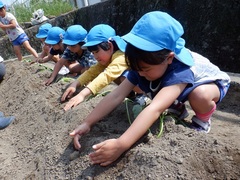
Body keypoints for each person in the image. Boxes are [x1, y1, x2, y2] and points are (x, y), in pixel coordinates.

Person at [69, 11, 231, 166]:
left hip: (209, 84)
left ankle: (202, 121)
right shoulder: (144, 62)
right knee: (143, 83)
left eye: (145, 69)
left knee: (199, 96)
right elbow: (116, 96)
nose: (140, 72)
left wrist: (121, 144)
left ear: (169, 58)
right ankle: (176, 106)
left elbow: (154, 109)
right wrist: (87, 123)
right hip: (170, 80)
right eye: (137, 68)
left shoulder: (181, 69)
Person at [61, 24, 143, 111]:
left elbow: (106, 76)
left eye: (96, 51)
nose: (95, 56)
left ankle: (142, 95)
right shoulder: (108, 57)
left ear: (109, 46)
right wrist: (75, 83)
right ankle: (130, 94)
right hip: (137, 81)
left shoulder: (121, 56)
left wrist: (82, 94)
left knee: (124, 76)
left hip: (146, 82)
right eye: (93, 53)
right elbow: (92, 71)